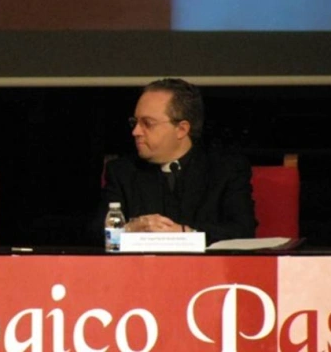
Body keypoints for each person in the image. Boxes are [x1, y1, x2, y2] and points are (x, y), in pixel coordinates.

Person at [99, 78, 257, 245]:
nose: (136, 131)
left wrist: (185, 233)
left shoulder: (225, 169)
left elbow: (243, 230)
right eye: (134, 122)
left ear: (181, 129)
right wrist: (129, 228)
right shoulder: (122, 171)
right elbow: (93, 232)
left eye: (147, 123)